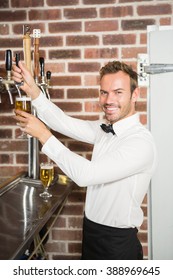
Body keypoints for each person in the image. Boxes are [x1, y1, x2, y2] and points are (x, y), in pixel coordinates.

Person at [12, 60, 158, 260]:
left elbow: (86, 175)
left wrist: (44, 135)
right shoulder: (105, 129)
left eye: (118, 92)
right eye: (104, 92)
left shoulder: (141, 143)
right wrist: (33, 90)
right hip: (91, 233)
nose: (108, 100)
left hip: (117, 244)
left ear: (135, 95)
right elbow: (63, 122)